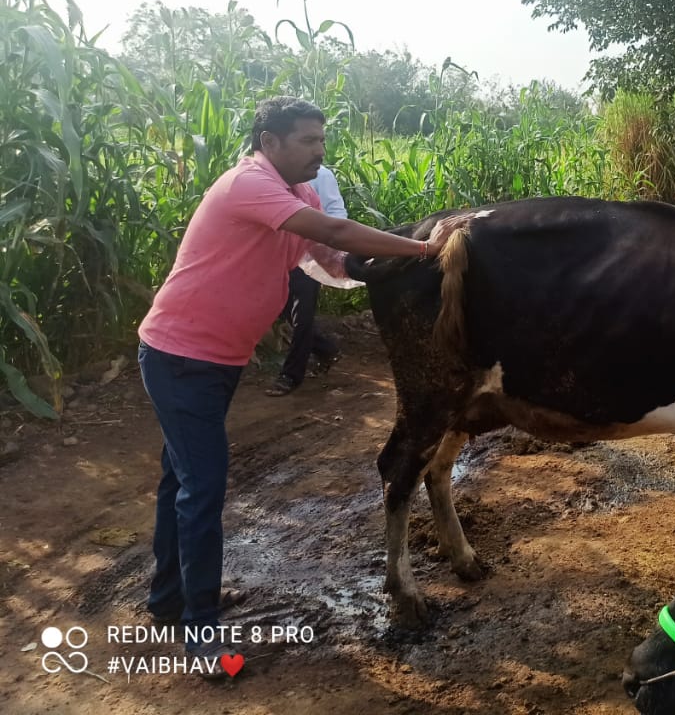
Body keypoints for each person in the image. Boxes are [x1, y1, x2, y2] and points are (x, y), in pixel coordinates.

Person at [136, 96, 469, 671]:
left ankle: (170, 598)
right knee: (202, 488)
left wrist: (381, 270)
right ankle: (200, 637)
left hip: (217, 360)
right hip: (179, 356)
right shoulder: (249, 184)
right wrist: (424, 247)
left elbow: (331, 258)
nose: (320, 149)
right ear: (269, 142)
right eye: (308, 140)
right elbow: (337, 228)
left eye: (322, 138)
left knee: (181, 481)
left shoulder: (301, 194)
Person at [272, 163, 347, 395]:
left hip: (308, 259)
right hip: (278, 258)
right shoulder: (274, 177)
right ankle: (326, 349)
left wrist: (326, 250)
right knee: (281, 312)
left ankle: (290, 375)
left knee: (302, 317)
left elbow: (336, 212)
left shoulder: (321, 175)